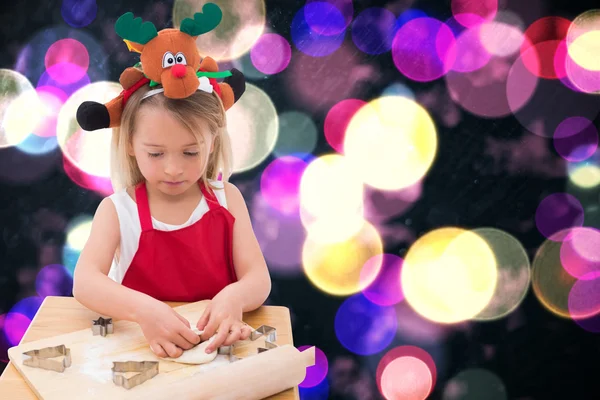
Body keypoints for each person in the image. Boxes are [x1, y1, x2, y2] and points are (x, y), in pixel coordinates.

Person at [72, 6, 271, 359]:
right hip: (141, 353)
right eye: (157, 154)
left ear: (213, 143)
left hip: (216, 353)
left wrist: (233, 297)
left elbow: (258, 279)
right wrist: (143, 310)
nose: (174, 169)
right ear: (131, 144)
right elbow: (85, 283)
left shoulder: (228, 199)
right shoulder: (118, 211)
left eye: (191, 153)